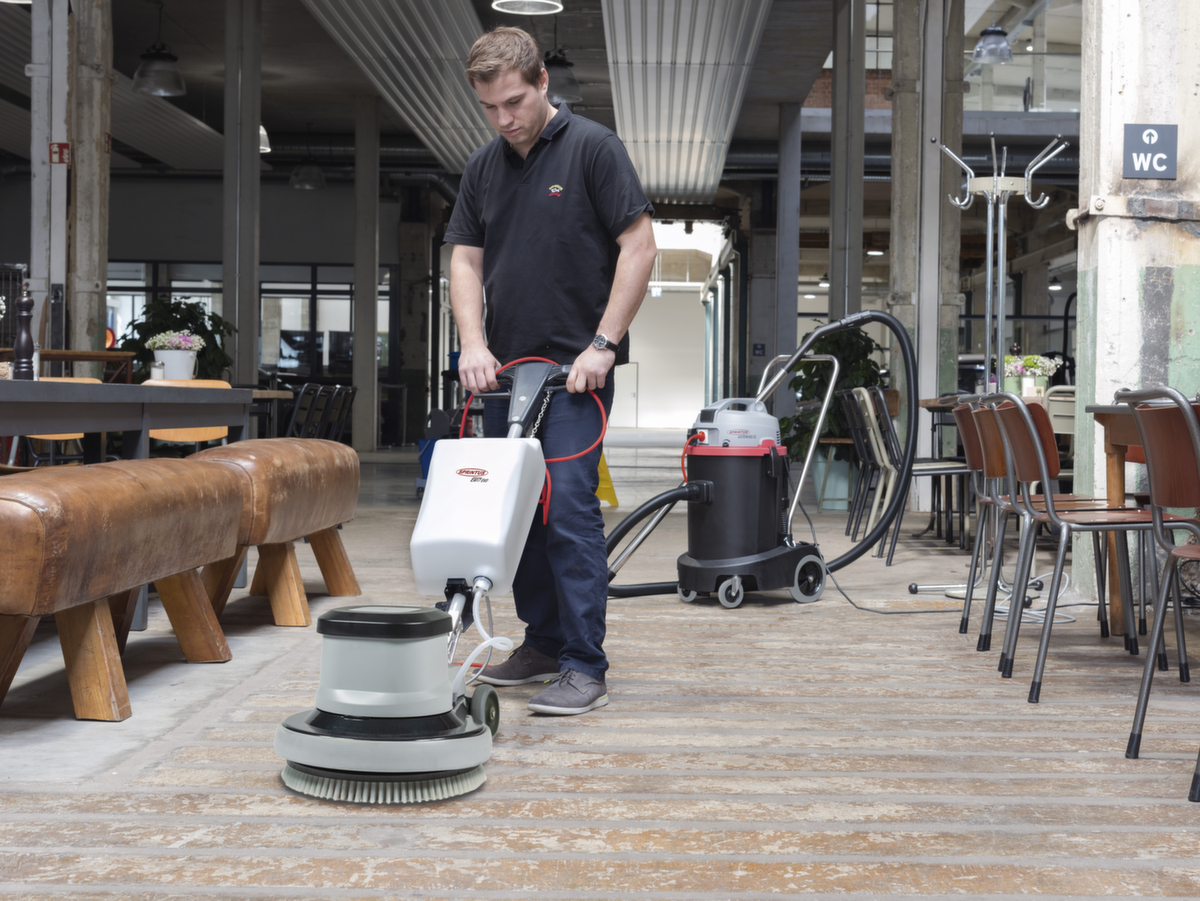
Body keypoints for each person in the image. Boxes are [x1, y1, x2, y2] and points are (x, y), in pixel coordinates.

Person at [444, 27, 656, 716]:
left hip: (574, 376)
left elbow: (639, 246)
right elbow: (465, 260)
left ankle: (584, 663)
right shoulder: (484, 167)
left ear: (541, 84)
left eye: (513, 102)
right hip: (505, 376)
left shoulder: (594, 149)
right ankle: (541, 640)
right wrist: (472, 342)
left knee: (566, 506)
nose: (504, 119)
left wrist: (604, 343)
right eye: (489, 108)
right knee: (520, 513)